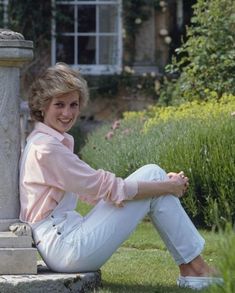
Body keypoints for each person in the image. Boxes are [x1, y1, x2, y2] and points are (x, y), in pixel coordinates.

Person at [19, 63, 223, 290]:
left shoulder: (46, 141)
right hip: (66, 247)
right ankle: (196, 269)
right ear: (42, 106)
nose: (67, 113)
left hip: (63, 241)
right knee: (154, 176)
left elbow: (94, 191)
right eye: (59, 104)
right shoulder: (47, 149)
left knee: (155, 176)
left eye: (73, 104)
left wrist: (164, 185)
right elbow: (108, 187)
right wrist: (169, 186)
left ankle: (194, 269)